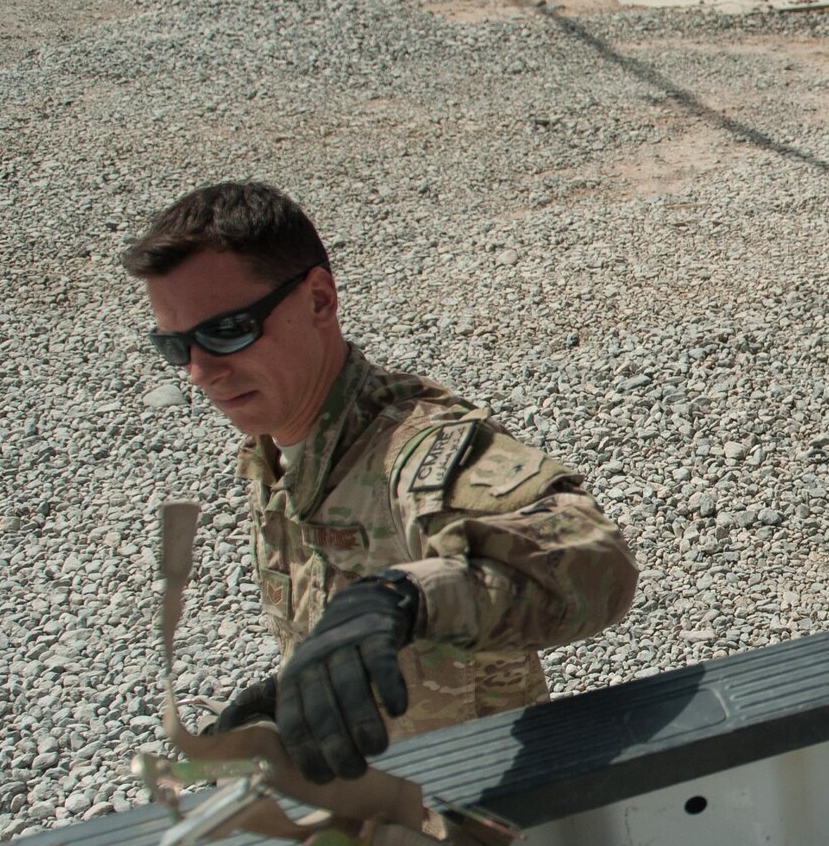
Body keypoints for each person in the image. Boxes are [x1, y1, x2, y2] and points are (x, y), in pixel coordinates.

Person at [126, 182, 639, 781]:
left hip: (482, 822)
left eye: (229, 330)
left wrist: (405, 599)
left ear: (319, 300)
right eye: (175, 345)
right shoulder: (278, 451)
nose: (200, 371)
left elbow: (597, 561)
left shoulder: (415, 455)